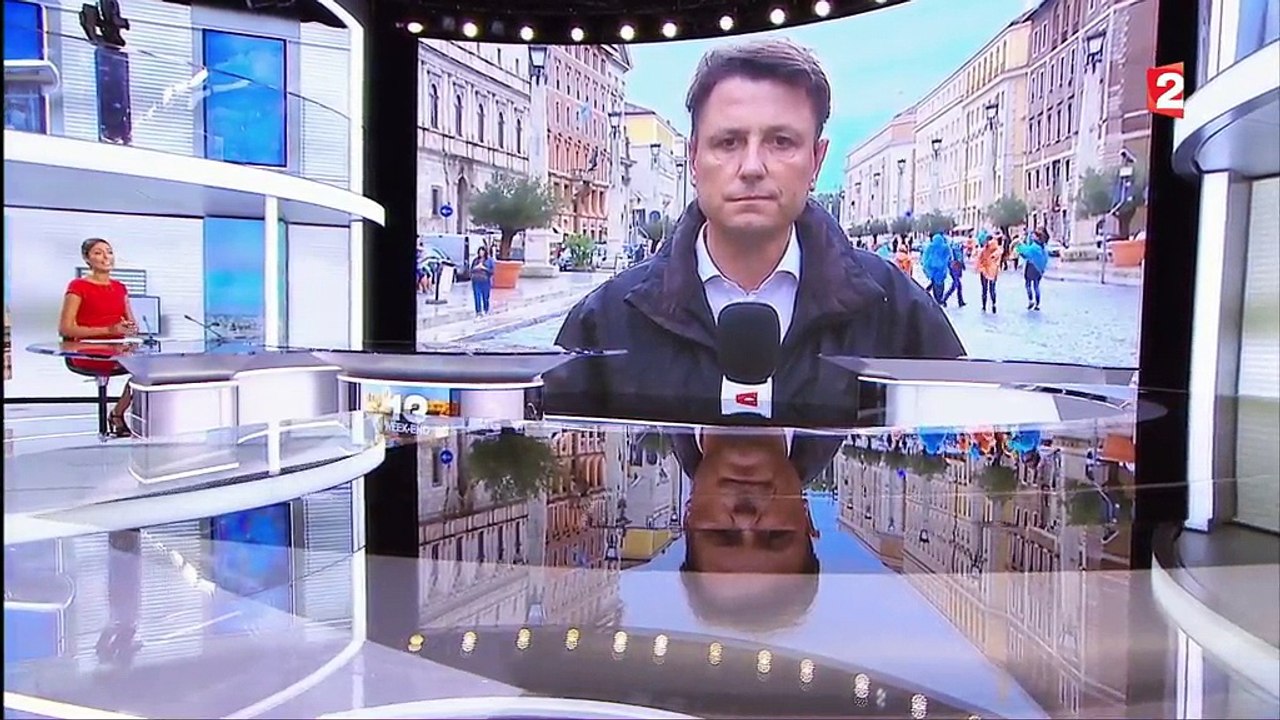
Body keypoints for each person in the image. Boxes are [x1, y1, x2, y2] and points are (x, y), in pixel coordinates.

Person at [552, 38, 963, 421]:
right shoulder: (605, 321)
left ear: (816, 162)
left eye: (781, 142)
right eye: (728, 142)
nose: (751, 167)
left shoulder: (895, 311)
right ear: (694, 158)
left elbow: (954, 438)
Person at [58, 238, 137, 436]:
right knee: (134, 369)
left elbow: (132, 324)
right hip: (86, 351)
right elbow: (66, 329)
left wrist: (129, 329)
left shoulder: (120, 287)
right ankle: (115, 418)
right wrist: (109, 330)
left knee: (149, 371)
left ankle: (118, 413)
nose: (106, 257)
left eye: (109, 252)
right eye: (98, 253)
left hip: (117, 349)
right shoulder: (78, 286)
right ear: (87, 258)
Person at [1017, 231, 1050, 311]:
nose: (1031, 237)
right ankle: (1037, 303)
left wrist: (1019, 246)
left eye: (1033, 236)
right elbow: (1045, 259)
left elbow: (1026, 252)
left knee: (1028, 285)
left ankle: (1031, 300)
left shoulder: (1034, 247)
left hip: (1031, 267)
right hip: (1039, 269)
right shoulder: (1043, 247)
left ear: (1037, 237)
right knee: (1036, 286)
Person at [942, 230, 972, 308]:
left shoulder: (954, 243)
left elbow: (959, 256)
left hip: (955, 266)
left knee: (958, 285)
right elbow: (957, 256)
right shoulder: (956, 243)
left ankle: (960, 301)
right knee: (956, 284)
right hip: (954, 266)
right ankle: (944, 299)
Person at [920, 233, 951, 304]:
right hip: (941, 272)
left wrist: (927, 269)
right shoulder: (945, 247)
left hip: (934, 272)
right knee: (940, 286)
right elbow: (949, 257)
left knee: (935, 286)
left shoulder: (930, 247)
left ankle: (937, 300)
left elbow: (925, 259)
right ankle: (939, 299)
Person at [976, 232, 1002, 314]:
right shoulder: (997, 250)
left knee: (984, 289)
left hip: (984, 271)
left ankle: (984, 306)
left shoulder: (984, 250)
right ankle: (993, 304)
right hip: (993, 272)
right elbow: (998, 260)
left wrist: (980, 268)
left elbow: (979, 261)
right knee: (992, 289)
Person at [469, 245, 495, 315]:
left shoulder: (490, 260)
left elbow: (492, 271)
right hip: (476, 280)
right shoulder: (475, 260)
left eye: (482, 252)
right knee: (477, 296)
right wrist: (476, 267)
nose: (481, 253)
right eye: (480, 252)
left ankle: (486, 309)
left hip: (485, 281)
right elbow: (471, 270)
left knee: (485, 296)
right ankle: (478, 311)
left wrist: (484, 268)